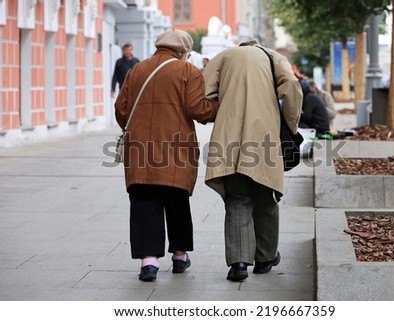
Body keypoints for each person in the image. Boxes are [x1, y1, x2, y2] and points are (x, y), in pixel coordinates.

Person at [115, 30, 219, 282]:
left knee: (144, 201)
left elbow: (121, 109)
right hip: (176, 147)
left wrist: (138, 126)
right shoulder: (188, 71)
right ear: (184, 52)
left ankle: (149, 262)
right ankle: (180, 256)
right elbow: (199, 109)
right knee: (177, 200)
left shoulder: (136, 70)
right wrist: (220, 105)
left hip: (140, 148)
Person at [202, 40, 302, 282]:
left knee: (237, 199)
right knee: (266, 196)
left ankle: (239, 263)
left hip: (229, 136)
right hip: (264, 135)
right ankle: (265, 258)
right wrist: (291, 123)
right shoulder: (274, 57)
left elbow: (204, 92)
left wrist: (225, 106)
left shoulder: (224, 57)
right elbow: (291, 85)